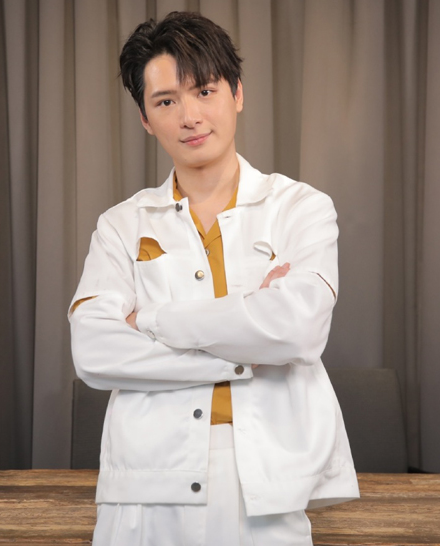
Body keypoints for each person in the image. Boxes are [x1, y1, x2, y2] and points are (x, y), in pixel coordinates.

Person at [68, 11, 358, 546]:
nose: (190, 116)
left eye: (205, 91)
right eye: (165, 102)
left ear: (237, 94)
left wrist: (150, 319)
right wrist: (245, 341)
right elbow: (93, 349)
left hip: (265, 481)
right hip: (146, 480)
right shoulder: (121, 225)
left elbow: (297, 330)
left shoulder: (300, 207)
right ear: (145, 119)